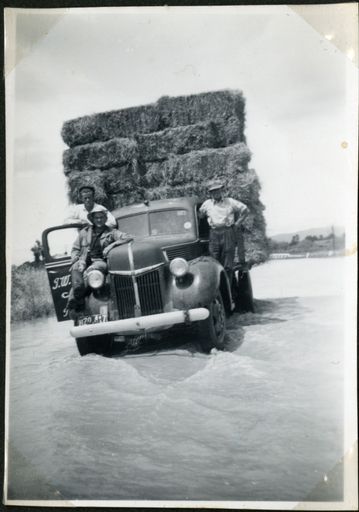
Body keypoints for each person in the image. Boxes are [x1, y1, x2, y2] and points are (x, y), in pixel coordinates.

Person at [67, 206, 132, 313]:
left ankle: (75, 300)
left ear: (105, 219)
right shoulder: (84, 232)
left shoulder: (111, 232)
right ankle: (74, 304)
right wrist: (76, 259)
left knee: (92, 270)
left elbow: (128, 237)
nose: (99, 220)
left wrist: (111, 245)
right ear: (92, 219)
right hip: (84, 261)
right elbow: (75, 249)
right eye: (96, 218)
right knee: (76, 274)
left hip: (100, 262)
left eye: (101, 217)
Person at [198, 180, 248, 284]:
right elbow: (200, 215)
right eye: (213, 191)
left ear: (221, 191)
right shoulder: (207, 204)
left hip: (227, 233)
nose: (216, 193)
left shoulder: (230, 202)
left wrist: (237, 223)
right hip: (214, 233)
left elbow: (245, 210)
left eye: (218, 190)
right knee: (214, 260)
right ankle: (217, 289)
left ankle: (227, 292)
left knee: (228, 263)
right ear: (210, 193)